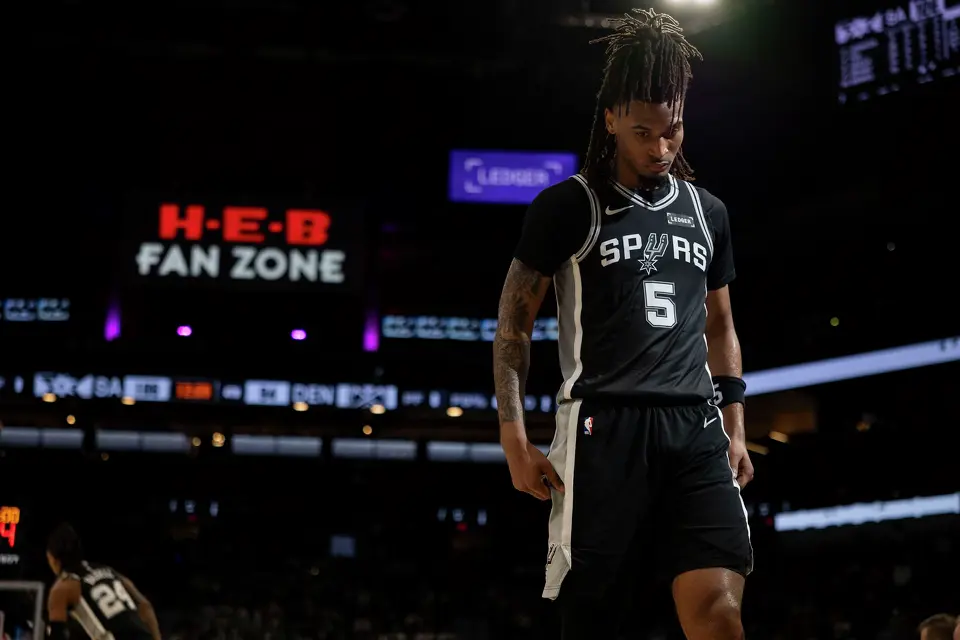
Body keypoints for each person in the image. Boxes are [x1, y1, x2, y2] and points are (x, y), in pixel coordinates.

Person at [492, 8, 752, 639]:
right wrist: (514, 439)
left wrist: (736, 425)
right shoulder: (568, 206)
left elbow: (721, 327)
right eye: (644, 133)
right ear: (610, 118)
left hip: (695, 427)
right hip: (602, 425)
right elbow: (513, 327)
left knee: (719, 612)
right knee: (593, 618)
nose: (661, 148)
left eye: (673, 132)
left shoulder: (707, 211)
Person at [45, 524, 160, 640]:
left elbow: (57, 635)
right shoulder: (108, 571)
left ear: (54, 559)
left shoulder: (62, 587)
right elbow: (146, 606)